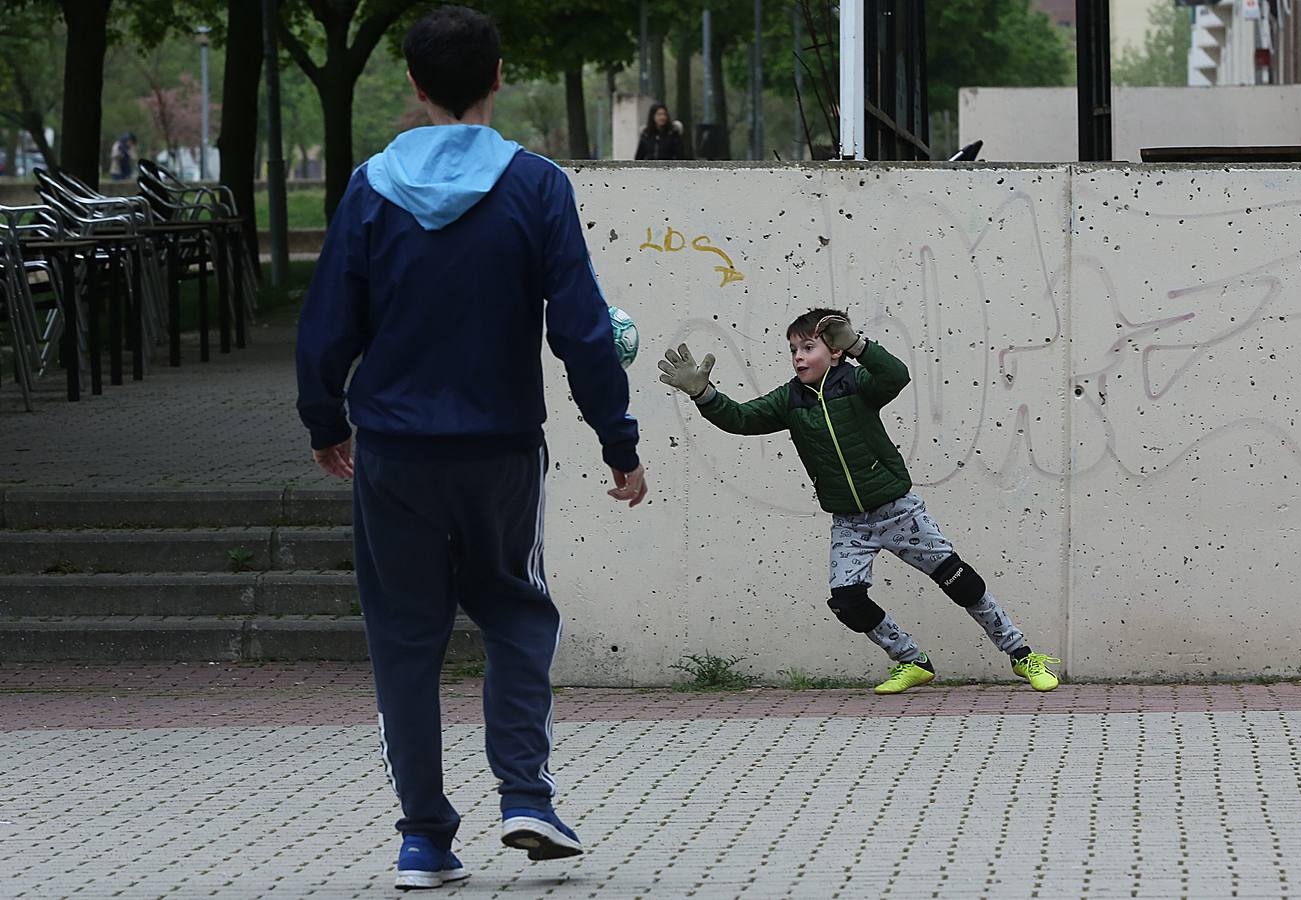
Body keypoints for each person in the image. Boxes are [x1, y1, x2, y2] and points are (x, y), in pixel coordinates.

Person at [295, 5, 648, 890]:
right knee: (518, 614)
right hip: (498, 452)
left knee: (405, 642)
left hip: (394, 457)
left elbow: (328, 323)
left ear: (414, 85)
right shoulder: (535, 187)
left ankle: (423, 839)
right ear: (497, 79)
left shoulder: (370, 188)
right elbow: (581, 331)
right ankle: (525, 795)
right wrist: (618, 442)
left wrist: (324, 421)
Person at [657, 309, 1060, 696]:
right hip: (851, 523)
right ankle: (912, 661)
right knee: (847, 601)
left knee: (959, 581)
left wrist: (859, 346)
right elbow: (741, 419)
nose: (798, 356)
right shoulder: (790, 400)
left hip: (898, 511)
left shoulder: (856, 383)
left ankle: (1023, 655)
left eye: (809, 346)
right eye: (794, 349)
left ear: (834, 349)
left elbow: (895, 376)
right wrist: (703, 393)